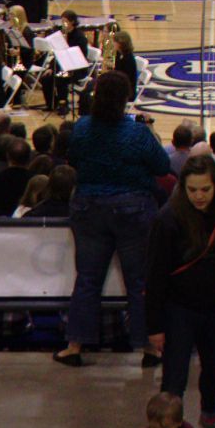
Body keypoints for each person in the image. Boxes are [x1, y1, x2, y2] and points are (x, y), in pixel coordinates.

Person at [54, 71, 168, 367]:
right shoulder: (137, 133)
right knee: (139, 281)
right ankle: (149, 348)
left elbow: (74, 159)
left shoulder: (82, 128)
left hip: (89, 208)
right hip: (133, 210)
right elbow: (162, 165)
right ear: (125, 99)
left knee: (88, 278)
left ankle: (75, 344)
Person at [145, 154, 215, 428]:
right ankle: (169, 427)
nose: (199, 196)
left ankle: (210, 415)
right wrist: (154, 326)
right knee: (174, 376)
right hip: (178, 309)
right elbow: (155, 275)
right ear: (184, 187)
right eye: (192, 190)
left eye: (205, 189)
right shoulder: (168, 219)